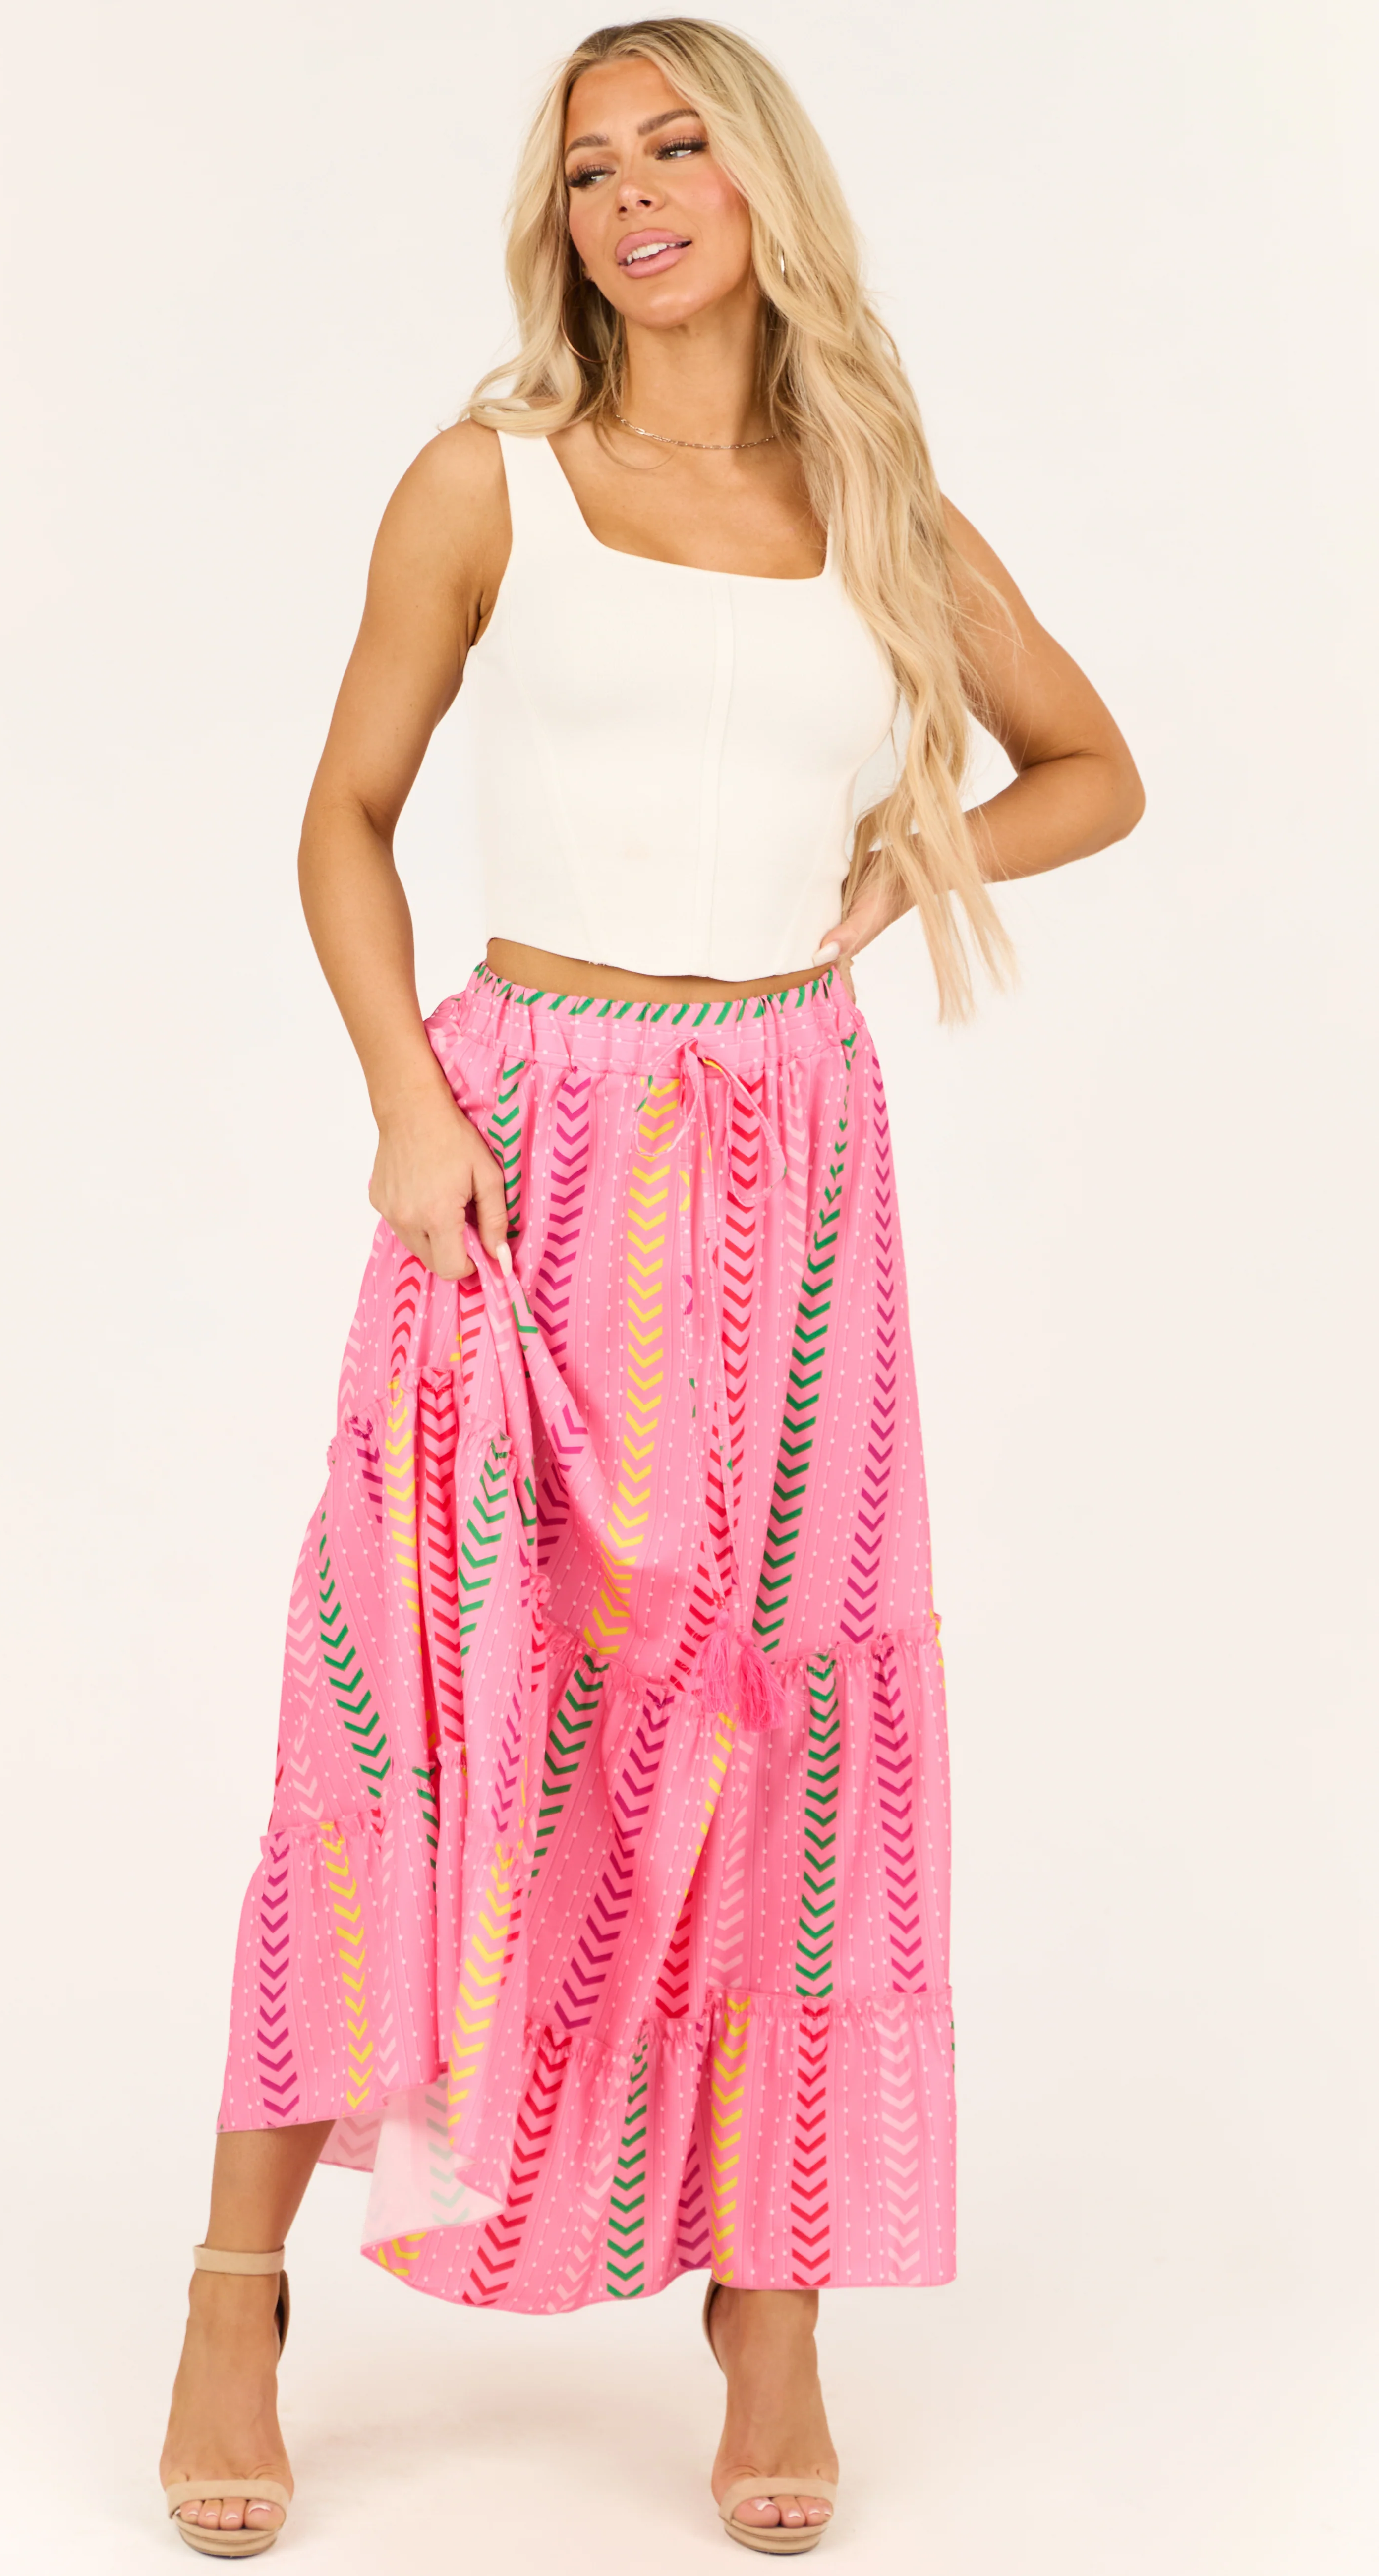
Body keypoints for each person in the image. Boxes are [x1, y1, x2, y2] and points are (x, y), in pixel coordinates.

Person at [159, 16, 1143, 2559]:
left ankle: (769, 2302)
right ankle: (234, 2285)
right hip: (519, 1141)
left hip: (784, 1162)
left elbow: (1091, 767)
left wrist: (903, 868)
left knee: (776, 1725)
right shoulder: (484, 481)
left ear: (760, 181)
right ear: (561, 226)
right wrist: (406, 1102)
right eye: (588, 166)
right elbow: (343, 813)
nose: (632, 193)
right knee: (399, 1695)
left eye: (676, 142)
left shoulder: (873, 503)